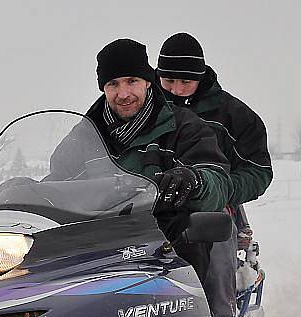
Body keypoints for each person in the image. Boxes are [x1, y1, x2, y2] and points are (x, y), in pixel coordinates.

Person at [47, 38, 232, 282]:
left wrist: (195, 180)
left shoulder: (183, 127)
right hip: (96, 250)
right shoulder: (84, 135)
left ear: (147, 81)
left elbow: (218, 180)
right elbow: (58, 183)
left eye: (131, 81)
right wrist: (26, 192)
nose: (123, 94)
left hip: (167, 250)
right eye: (113, 84)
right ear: (103, 88)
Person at [156, 32, 273, 317]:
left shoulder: (234, 116)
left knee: (214, 234)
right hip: (149, 203)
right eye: (168, 81)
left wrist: (222, 189)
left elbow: (259, 171)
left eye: (185, 82)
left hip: (210, 205)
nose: (176, 90)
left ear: (200, 77)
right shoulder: (144, 107)